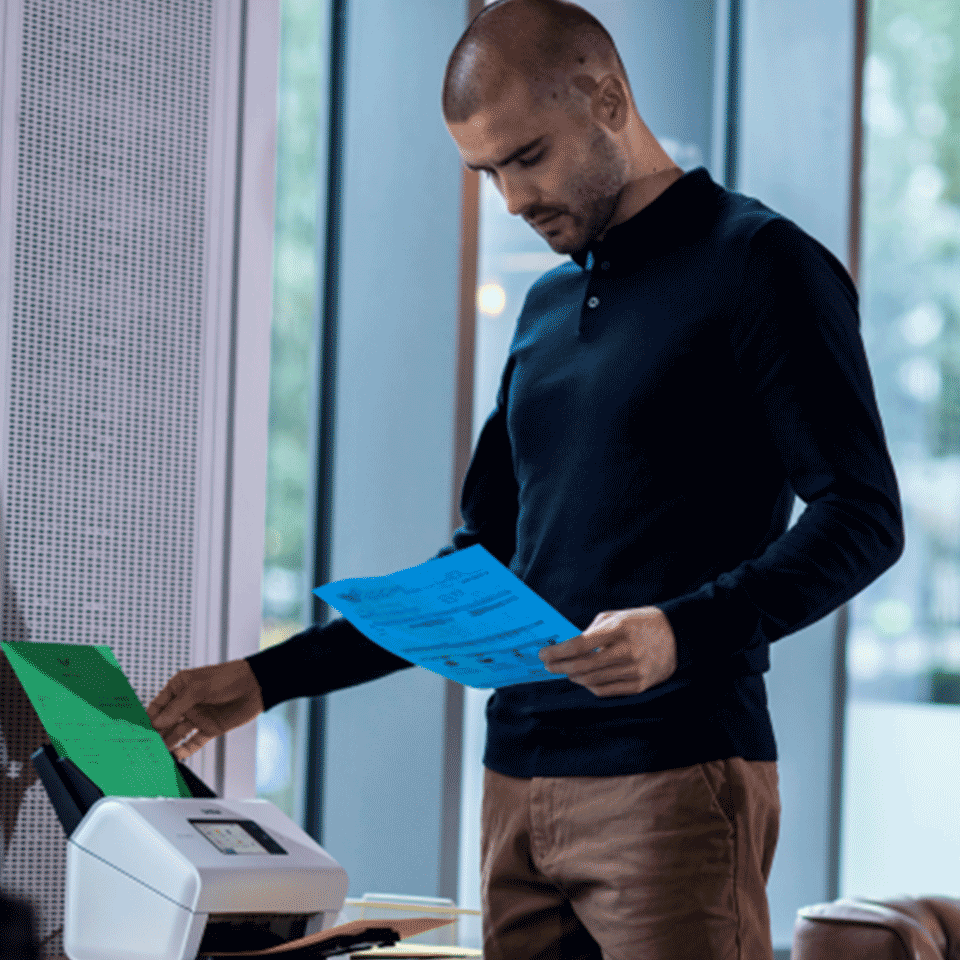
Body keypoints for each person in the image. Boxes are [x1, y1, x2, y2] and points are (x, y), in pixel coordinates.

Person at [148, 1, 905, 957]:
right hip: (513, 785)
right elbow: (485, 565)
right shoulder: (545, 308)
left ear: (608, 96)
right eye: (486, 172)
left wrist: (681, 632)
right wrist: (269, 678)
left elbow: (864, 516)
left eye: (529, 158)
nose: (511, 199)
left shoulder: (760, 265)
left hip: (673, 778)